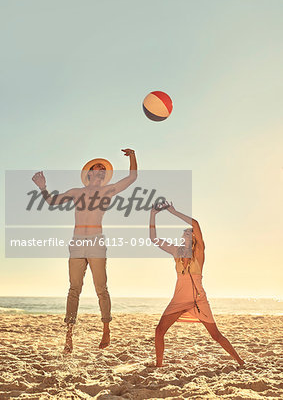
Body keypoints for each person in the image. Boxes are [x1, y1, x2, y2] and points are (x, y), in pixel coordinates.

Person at [32, 148, 137, 353]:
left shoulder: (108, 191)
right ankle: (69, 336)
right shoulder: (76, 192)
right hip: (77, 243)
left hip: (96, 242)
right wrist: (43, 187)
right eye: (96, 169)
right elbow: (51, 201)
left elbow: (133, 177)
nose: (99, 173)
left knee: (101, 288)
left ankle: (106, 329)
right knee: (74, 289)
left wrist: (132, 156)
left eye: (102, 171)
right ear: (89, 173)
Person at [149, 201, 244, 367]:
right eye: (184, 232)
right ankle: (159, 365)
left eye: (189, 232)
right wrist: (152, 214)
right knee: (159, 331)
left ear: (194, 239)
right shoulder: (176, 252)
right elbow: (153, 238)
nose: (186, 232)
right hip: (178, 300)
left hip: (198, 301)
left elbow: (195, 224)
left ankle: (240, 361)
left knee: (216, 335)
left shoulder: (199, 254)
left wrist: (173, 212)